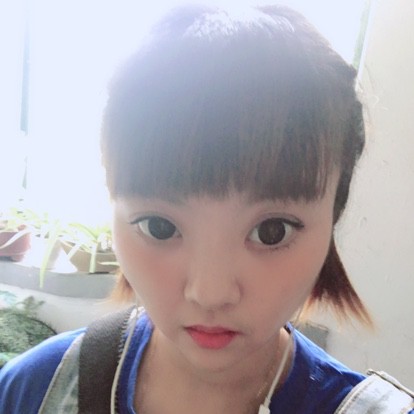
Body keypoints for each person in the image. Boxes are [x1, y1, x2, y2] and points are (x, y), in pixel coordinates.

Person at [0, 4, 413, 414]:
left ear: (331, 219)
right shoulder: (34, 390)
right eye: (160, 227)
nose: (210, 293)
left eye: (272, 231)